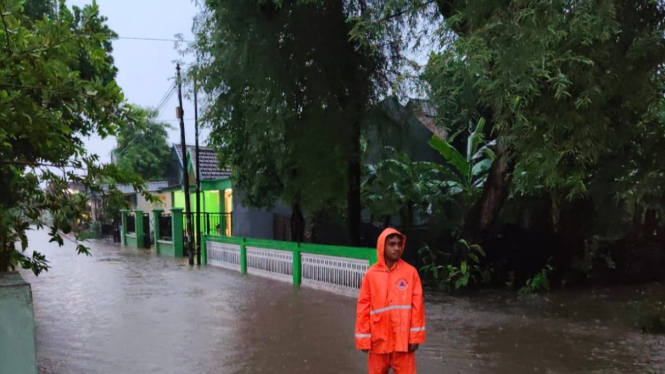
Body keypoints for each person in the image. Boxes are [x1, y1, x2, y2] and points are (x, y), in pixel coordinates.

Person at [355, 228, 426, 374]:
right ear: (382, 246)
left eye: (399, 244)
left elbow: (417, 307)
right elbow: (364, 307)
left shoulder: (410, 272)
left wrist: (415, 337)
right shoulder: (371, 274)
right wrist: (363, 338)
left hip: (403, 342)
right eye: (392, 244)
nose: (396, 248)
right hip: (378, 342)